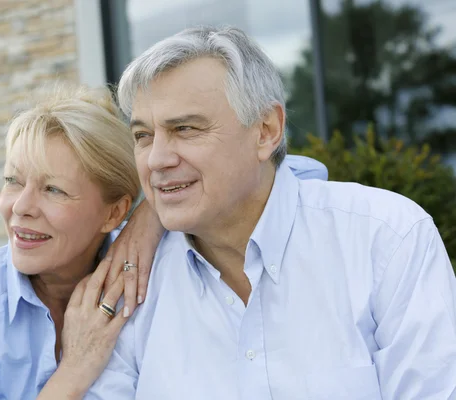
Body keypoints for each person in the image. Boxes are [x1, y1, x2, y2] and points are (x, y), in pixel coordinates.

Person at [86, 26, 456, 400]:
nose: (157, 160)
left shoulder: (386, 240)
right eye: (142, 136)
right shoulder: (128, 288)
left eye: (185, 128)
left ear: (266, 131)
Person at [0, 81, 328, 399]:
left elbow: (302, 172)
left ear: (114, 212)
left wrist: (150, 215)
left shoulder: (149, 263)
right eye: (13, 181)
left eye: (54, 190)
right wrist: (76, 369)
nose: (20, 207)